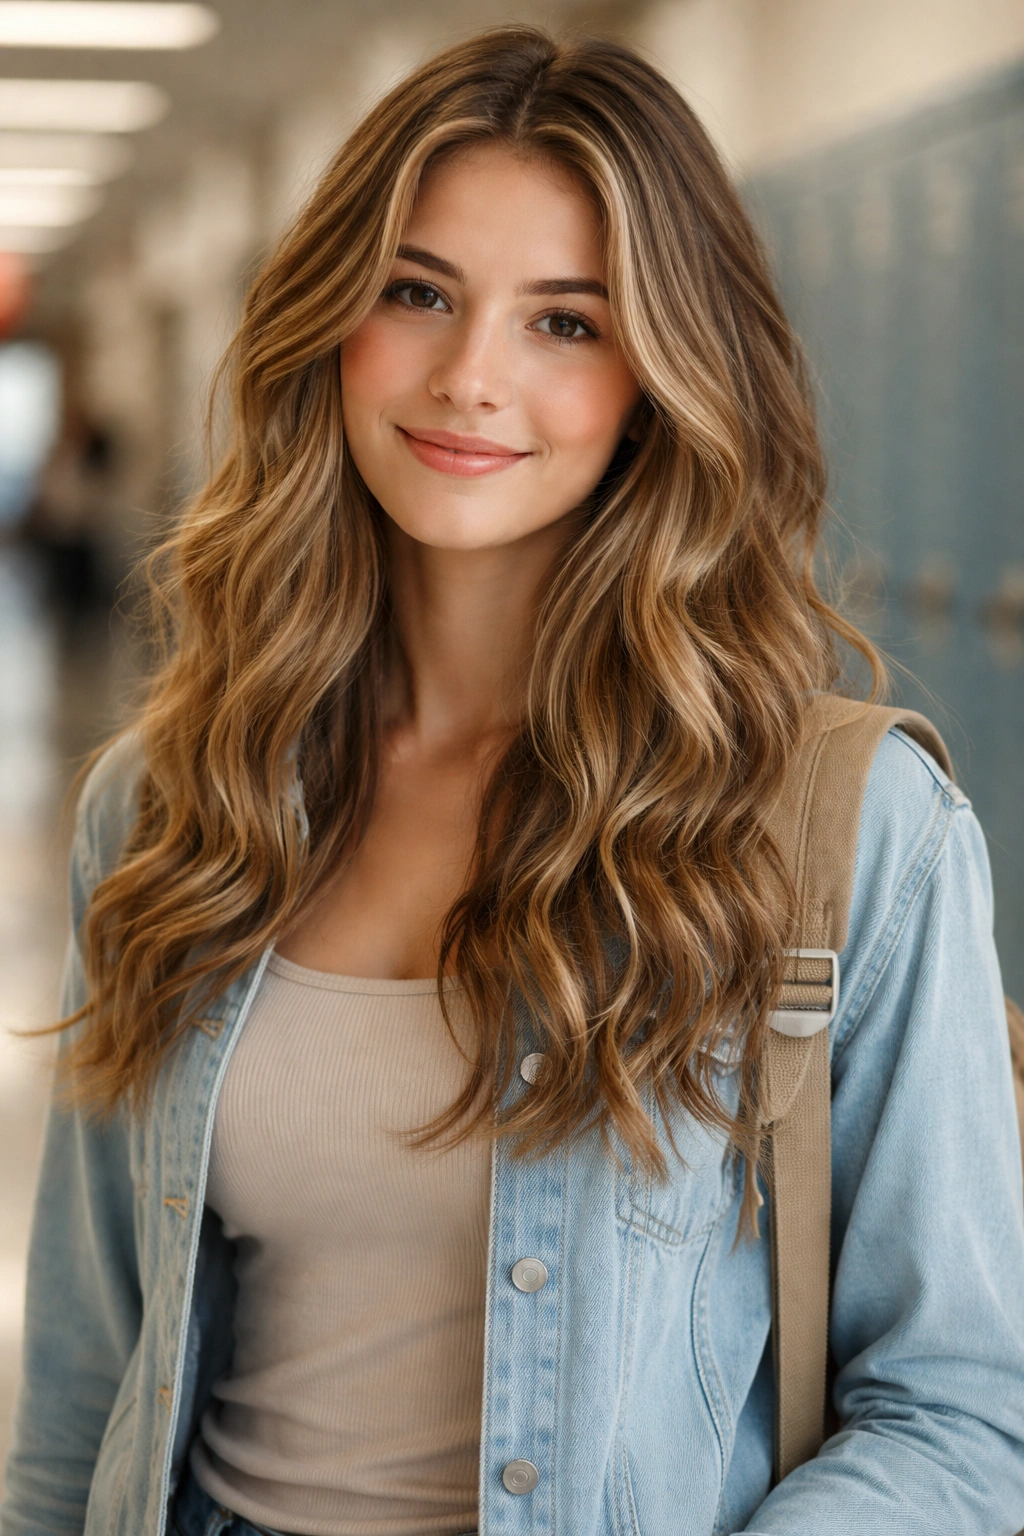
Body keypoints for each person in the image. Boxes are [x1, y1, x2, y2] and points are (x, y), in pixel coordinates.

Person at [3, 25, 1023, 1536]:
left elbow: (961, 1415)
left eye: (565, 322)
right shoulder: (172, 800)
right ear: (328, 323)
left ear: (660, 378)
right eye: (417, 293)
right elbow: (86, 1389)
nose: (471, 378)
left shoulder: (848, 830)